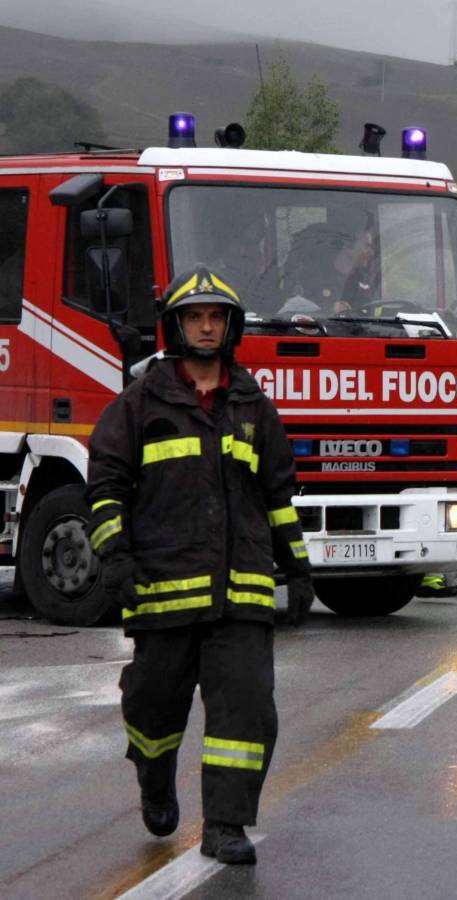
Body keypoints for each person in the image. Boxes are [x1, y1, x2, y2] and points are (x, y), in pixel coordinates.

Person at [85, 265, 313, 866]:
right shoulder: (138, 405)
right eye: (195, 317)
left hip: (241, 594)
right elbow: (106, 488)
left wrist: (299, 566)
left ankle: (225, 825)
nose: (206, 327)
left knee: (246, 711)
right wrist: (115, 557)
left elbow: (277, 495)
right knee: (151, 709)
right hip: (161, 593)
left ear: (230, 326)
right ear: (176, 326)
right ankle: (154, 779)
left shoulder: (253, 406)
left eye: (216, 317)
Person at [280, 220, 375, 316]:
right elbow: (294, 313)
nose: (371, 252)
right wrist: (330, 310)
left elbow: (374, 315)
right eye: (366, 246)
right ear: (348, 246)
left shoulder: (365, 282)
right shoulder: (312, 278)